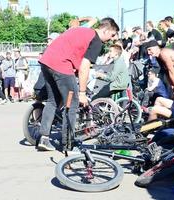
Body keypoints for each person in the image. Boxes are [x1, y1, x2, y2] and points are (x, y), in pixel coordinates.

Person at [37, 17, 119, 151]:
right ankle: (68, 144)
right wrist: (82, 93)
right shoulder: (96, 40)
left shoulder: (82, 30)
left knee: (53, 101)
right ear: (105, 30)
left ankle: (44, 138)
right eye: (112, 35)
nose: (112, 39)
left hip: (46, 61)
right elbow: (85, 67)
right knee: (72, 104)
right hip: (61, 65)